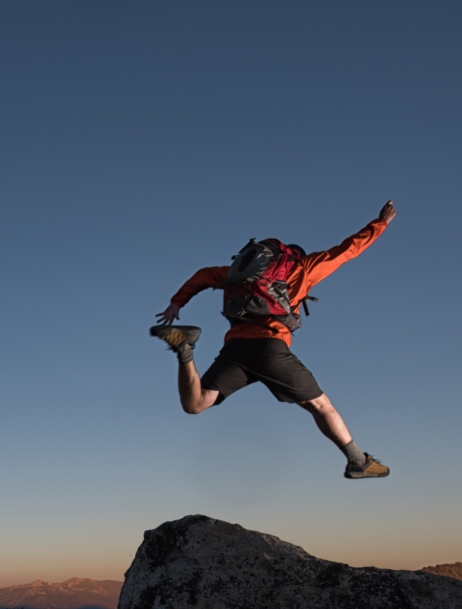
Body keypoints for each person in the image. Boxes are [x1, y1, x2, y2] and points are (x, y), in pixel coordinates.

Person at [150, 201, 396, 479]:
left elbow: (203, 275)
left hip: (236, 350)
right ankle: (358, 462)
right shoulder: (302, 268)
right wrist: (381, 223)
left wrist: (176, 303)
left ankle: (184, 349)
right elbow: (348, 249)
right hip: (270, 347)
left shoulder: (238, 273)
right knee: (321, 405)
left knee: (195, 404)